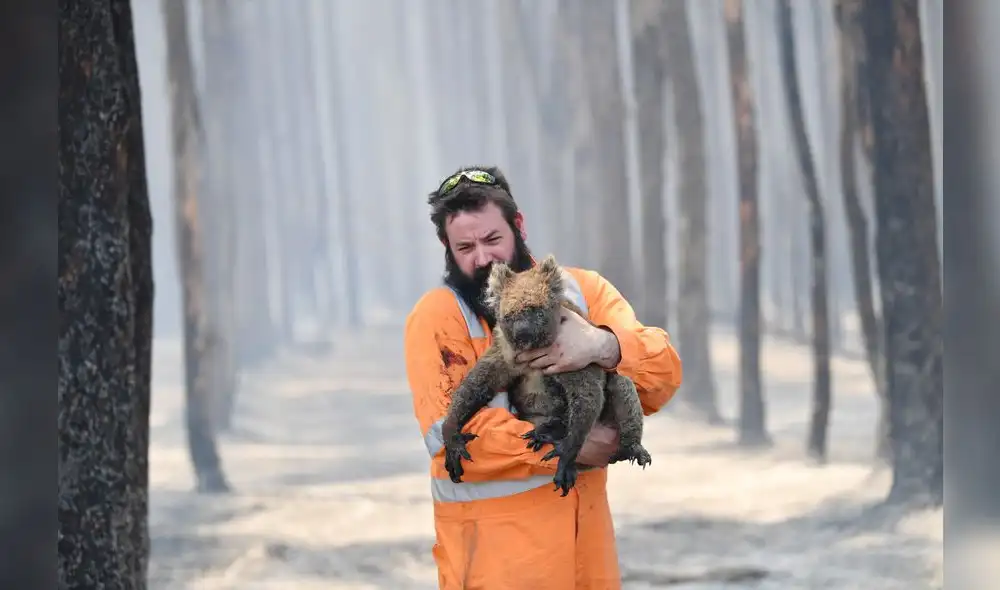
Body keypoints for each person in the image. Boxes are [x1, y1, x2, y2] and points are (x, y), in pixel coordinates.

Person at [403, 165, 683, 589]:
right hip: (495, 572)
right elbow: (447, 435)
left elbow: (663, 376)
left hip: (588, 566)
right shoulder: (438, 317)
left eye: (492, 239)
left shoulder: (583, 291)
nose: (482, 258)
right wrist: (565, 447)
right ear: (447, 247)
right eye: (465, 247)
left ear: (519, 225)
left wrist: (603, 345)